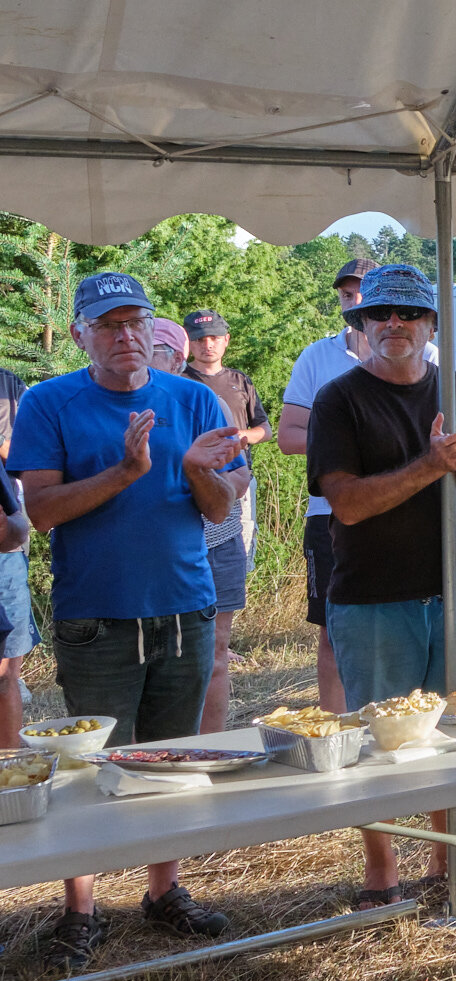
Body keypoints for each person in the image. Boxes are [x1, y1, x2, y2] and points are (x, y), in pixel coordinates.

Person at [14, 271, 247, 970]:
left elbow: (220, 506)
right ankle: (81, 909)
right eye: (108, 325)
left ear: (153, 329)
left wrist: (201, 472)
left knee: (172, 759)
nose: (125, 336)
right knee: (87, 769)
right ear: (80, 334)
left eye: (136, 322)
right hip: (96, 616)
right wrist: (125, 470)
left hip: (185, 608)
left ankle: (163, 889)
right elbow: (39, 512)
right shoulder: (49, 402)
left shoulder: (192, 399)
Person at [306, 264, 456, 907]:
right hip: (374, 599)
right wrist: (431, 464)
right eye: (379, 314)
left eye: (408, 313)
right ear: (362, 324)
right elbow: (346, 504)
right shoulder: (339, 399)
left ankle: (446, 861)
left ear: (431, 324)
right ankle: (381, 874)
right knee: (380, 741)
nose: (392, 324)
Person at [280, 258, 438, 717]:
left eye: (372, 294)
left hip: (416, 512)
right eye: (350, 295)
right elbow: (288, 436)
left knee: (418, 626)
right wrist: (348, 443)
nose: (360, 300)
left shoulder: (429, 355)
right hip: (332, 513)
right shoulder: (317, 357)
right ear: (352, 309)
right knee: (334, 631)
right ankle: (336, 726)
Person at [180, 310, 271, 733]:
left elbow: (263, 428)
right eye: (199, 338)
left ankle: (222, 641)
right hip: (196, 484)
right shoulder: (181, 380)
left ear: (226, 340)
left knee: (237, 551)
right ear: (188, 343)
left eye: (214, 337)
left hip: (237, 478)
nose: (207, 344)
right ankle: (203, 641)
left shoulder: (238, 381)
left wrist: (241, 439)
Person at [0, 362, 35, 746]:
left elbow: (27, 456)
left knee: (5, 672)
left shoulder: (8, 383)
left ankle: (8, 767)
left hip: (5, 555)